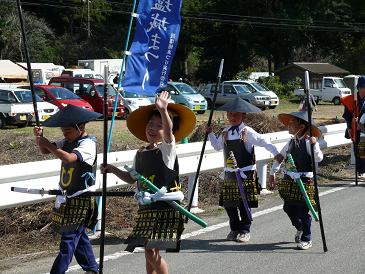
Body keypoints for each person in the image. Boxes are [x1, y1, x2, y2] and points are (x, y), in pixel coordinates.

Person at [101, 91, 196, 274]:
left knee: (152, 251)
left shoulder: (167, 151)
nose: (152, 128)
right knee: (148, 251)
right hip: (146, 209)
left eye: (158, 125)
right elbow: (132, 178)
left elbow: (168, 134)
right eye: (150, 124)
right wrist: (112, 169)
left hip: (165, 208)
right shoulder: (141, 153)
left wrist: (163, 111)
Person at [33, 105, 102, 273]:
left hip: (81, 197)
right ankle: (92, 268)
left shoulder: (88, 144)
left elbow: (70, 158)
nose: (65, 134)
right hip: (67, 197)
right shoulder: (67, 141)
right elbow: (44, 150)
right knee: (78, 236)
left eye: (68, 131)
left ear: (81, 127)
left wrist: (49, 145)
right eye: (63, 131)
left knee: (68, 239)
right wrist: (40, 138)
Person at [207, 98, 282, 243]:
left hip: (245, 173)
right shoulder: (225, 132)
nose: (232, 118)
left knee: (244, 203)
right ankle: (234, 228)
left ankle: (245, 230)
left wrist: (276, 153)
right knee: (229, 204)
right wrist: (210, 133)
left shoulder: (247, 132)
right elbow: (217, 146)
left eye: (236, 115)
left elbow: (263, 141)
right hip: (230, 173)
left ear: (243, 116)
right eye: (230, 115)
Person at [268, 111, 323, 250]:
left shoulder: (308, 142)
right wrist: (272, 173)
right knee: (288, 208)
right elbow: (280, 157)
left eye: (292, 123)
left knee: (303, 211)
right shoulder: (291, 141)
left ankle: (307, 238)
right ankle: (300, 227)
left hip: (304, 181)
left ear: (302, 126)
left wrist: (314, 145)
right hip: (290, 181)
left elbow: (319, 158)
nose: (289, 125)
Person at [341, 75, 365, 178]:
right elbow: (346, 115)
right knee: (358, 150)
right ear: (359, 87)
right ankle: (360, 171)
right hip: (355, 129)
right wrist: (349, 127)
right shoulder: (352, 99)